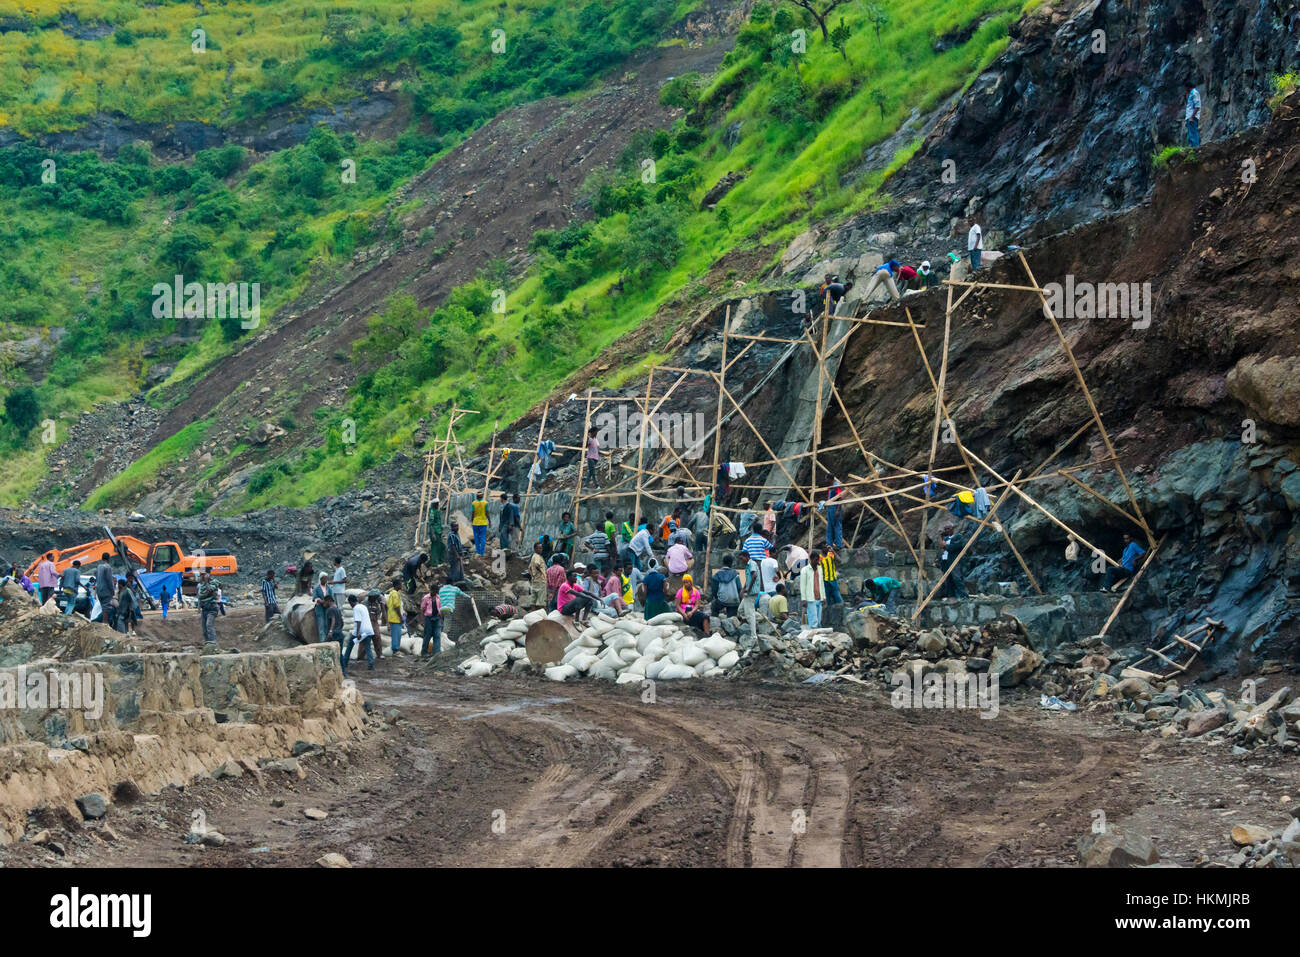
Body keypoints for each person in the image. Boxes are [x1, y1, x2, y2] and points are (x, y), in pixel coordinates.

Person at [343, 594, 376, 674]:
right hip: (368, 630)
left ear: (350, 602)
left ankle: (344, 662)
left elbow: (358, 621)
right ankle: (371, 664)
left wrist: (357, 633)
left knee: (350, 645)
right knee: (368, 647)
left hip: (361, 631)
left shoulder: (356, 608)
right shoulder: (363, 606)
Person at [437, 578, 473, 644]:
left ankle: (439, 637)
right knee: (447, 625)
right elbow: (462, 594)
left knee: (441, 623)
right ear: (452, 583)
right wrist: (470, 597)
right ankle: (443, 639)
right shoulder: (454, 588)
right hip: (448, 608)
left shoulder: (441, 589)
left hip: (440, 609)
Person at [709, 553, 743, 619]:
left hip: (722, 600)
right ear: (731, 563)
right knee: (731, 617)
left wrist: (716, 597)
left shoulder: (717, 575)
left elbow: (714, 590)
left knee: (714, 606)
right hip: (734, 600)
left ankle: (714, 621)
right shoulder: (735, 574)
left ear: (723, 563)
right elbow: (739, 588)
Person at [938, 527, 967, 599]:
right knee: (948, 579)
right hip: (945, 561)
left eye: (948, 528)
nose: (946, 530)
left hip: (954, 560)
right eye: (945, 529)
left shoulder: (958, 537)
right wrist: (940, 537)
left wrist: (945, 545)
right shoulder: (946, 539)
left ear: (953, 529)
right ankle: (951, 596)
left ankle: (963, 596)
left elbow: (953, 547)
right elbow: (941, 546)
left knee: (957, 578)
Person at [800, 550, 826, 628]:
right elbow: (803, 585)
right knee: (813, 620)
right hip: (810, 598)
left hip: (819, 597)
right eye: (816, 560)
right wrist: (803, 599)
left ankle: (818, 637)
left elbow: (822, 583)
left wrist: (824, 597)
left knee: (819, 620)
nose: (817, 561)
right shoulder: (805, 570)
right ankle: (813, 637)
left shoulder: (820, 569)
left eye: (818, 560)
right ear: (811, 559)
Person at [197, 570, 220, 644]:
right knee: (204, 629)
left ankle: (213, 642)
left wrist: (207, 582)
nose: (201, 577)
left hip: (212, 608)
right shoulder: (201, 585)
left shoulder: (214, 582)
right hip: (205, 608)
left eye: (202, 575)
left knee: (209, 625)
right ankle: (208, 643)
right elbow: (200, 597)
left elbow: (210, 590)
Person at [95, 553, 116, 629]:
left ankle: (104, 623)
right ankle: (105, 623)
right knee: (106, 607)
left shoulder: (98, 567)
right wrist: (112, 590)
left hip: (99, 590)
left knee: (103, 606)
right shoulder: (107, 567)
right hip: (105, 590)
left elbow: (96, 576)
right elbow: (109, 580)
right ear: (109, 558)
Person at [820, 547, 843, 617]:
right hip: (824, 582)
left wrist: (834, 552)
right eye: (826, 546)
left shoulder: (831, 554)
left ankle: (842, 613)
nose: (828, 548)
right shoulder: (819, 558)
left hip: (833, 580)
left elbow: (839, 561)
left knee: (838, 597)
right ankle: (827, 617)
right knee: (826, 600)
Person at [420, 583, 442, 656]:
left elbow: (439, 607)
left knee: (437, 635)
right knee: (427, 635)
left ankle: (436, 653)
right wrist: (423, 620)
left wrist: (440, 615)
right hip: (429, 618)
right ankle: (424, 652)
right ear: (431, 590)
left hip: (437, 618)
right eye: (434, 591)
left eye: (437, 591)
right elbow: (422, 609)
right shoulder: (426, 598)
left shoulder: (438, 597)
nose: (435, 593)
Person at [386, 578, 406, 654]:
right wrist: (401, 617)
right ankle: (395, 650)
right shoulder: (395, 594)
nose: (401, 585)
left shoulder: (391, 593)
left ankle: (396, 649)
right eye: (400, 584)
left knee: (396, 634)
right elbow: (396, 607)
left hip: (393, 617)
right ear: (397, 585)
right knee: (396, 635)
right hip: (395, 618)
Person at [823, 479, 844, 548]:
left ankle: (839, 544)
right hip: (830, 508)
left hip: (835, 508)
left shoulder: (836, 486)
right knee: (829, 526)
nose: (826, 480)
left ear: (830, 479)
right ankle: (829, 543)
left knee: (837, 526)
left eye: (826, 479)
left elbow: (840, 498)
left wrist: (838, 510)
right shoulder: (831, 487)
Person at [528, 543, 547, 608]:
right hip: (541, 580)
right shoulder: (537, 557)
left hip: (535, 580)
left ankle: (532, 613)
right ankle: (542, 615)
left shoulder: (533, 556)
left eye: (541, 548)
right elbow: (537, 565)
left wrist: (532, 576)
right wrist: (542, 573)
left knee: (533, 599)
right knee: (542, 600)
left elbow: (529, 568)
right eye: (539, 548)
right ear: (535, 549)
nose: (541, 549)